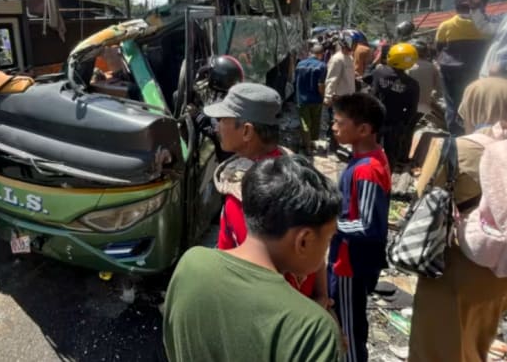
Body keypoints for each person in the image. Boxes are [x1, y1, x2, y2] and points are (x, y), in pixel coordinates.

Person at [163, 155, 343, 362]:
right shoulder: (314, 331)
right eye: (329, 238)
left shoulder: (191, 264)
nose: (326, 250)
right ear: (304, 240)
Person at [408, 77, 507, 362]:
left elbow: (424, 194)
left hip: (457, 267)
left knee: (435, 347)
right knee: (475, 343)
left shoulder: (455, 148)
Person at [206, 82, 331, 305]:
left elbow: (261, 279)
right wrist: (321, 296)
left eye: (223, 120)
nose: (217, 127)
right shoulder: (294, 168)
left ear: (246, 131)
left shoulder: (252, 197)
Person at [328, 93, 392, 362]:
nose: (333, 127)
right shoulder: (368, 158)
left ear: (364, 129)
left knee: (348, 330)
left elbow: (368, 226)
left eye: (339, 122)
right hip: (348, 260)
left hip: (349, 264)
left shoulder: (366, 169)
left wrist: (328, 225)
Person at [435, 0, 489, 134]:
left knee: (452, 105)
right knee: (476, 104)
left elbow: (439, 48)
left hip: (450, 72)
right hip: (477, 72)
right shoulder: (485, 26)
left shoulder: (446, 25)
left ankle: (455, 136)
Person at [370, 43, 420, 170]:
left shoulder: (379, 72)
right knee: (391, 154)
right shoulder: (412, 84)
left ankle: (369, 172)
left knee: (370, 149)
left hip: (376, 118)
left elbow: (373, 94)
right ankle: (386, 179)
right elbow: (411, 110)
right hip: (396, 123)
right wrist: (403, 125)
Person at [324, 32, 357, 152]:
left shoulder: (349, 57)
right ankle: (332, 147)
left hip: (347, 96)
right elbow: (331, 79)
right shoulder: (337, 59)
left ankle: (336, 144)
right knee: (335, 122)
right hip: (338, 97)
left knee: (342, 122)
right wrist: (328, 97)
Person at [295, 43, 327, 154]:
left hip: (302, 99)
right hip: (316, 99)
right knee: (315, 122)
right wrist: (323, 97)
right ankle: (311, 144)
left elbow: (295, 81)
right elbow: (320, 85)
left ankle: (307, 145)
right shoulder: (322, 66)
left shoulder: (299, 64)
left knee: (305, 123)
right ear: (321, 54)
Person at [406, 39, 442, 119]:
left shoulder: (406, 67)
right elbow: (439, 91)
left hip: (407, 109)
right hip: (426, 111)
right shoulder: (432, 67)